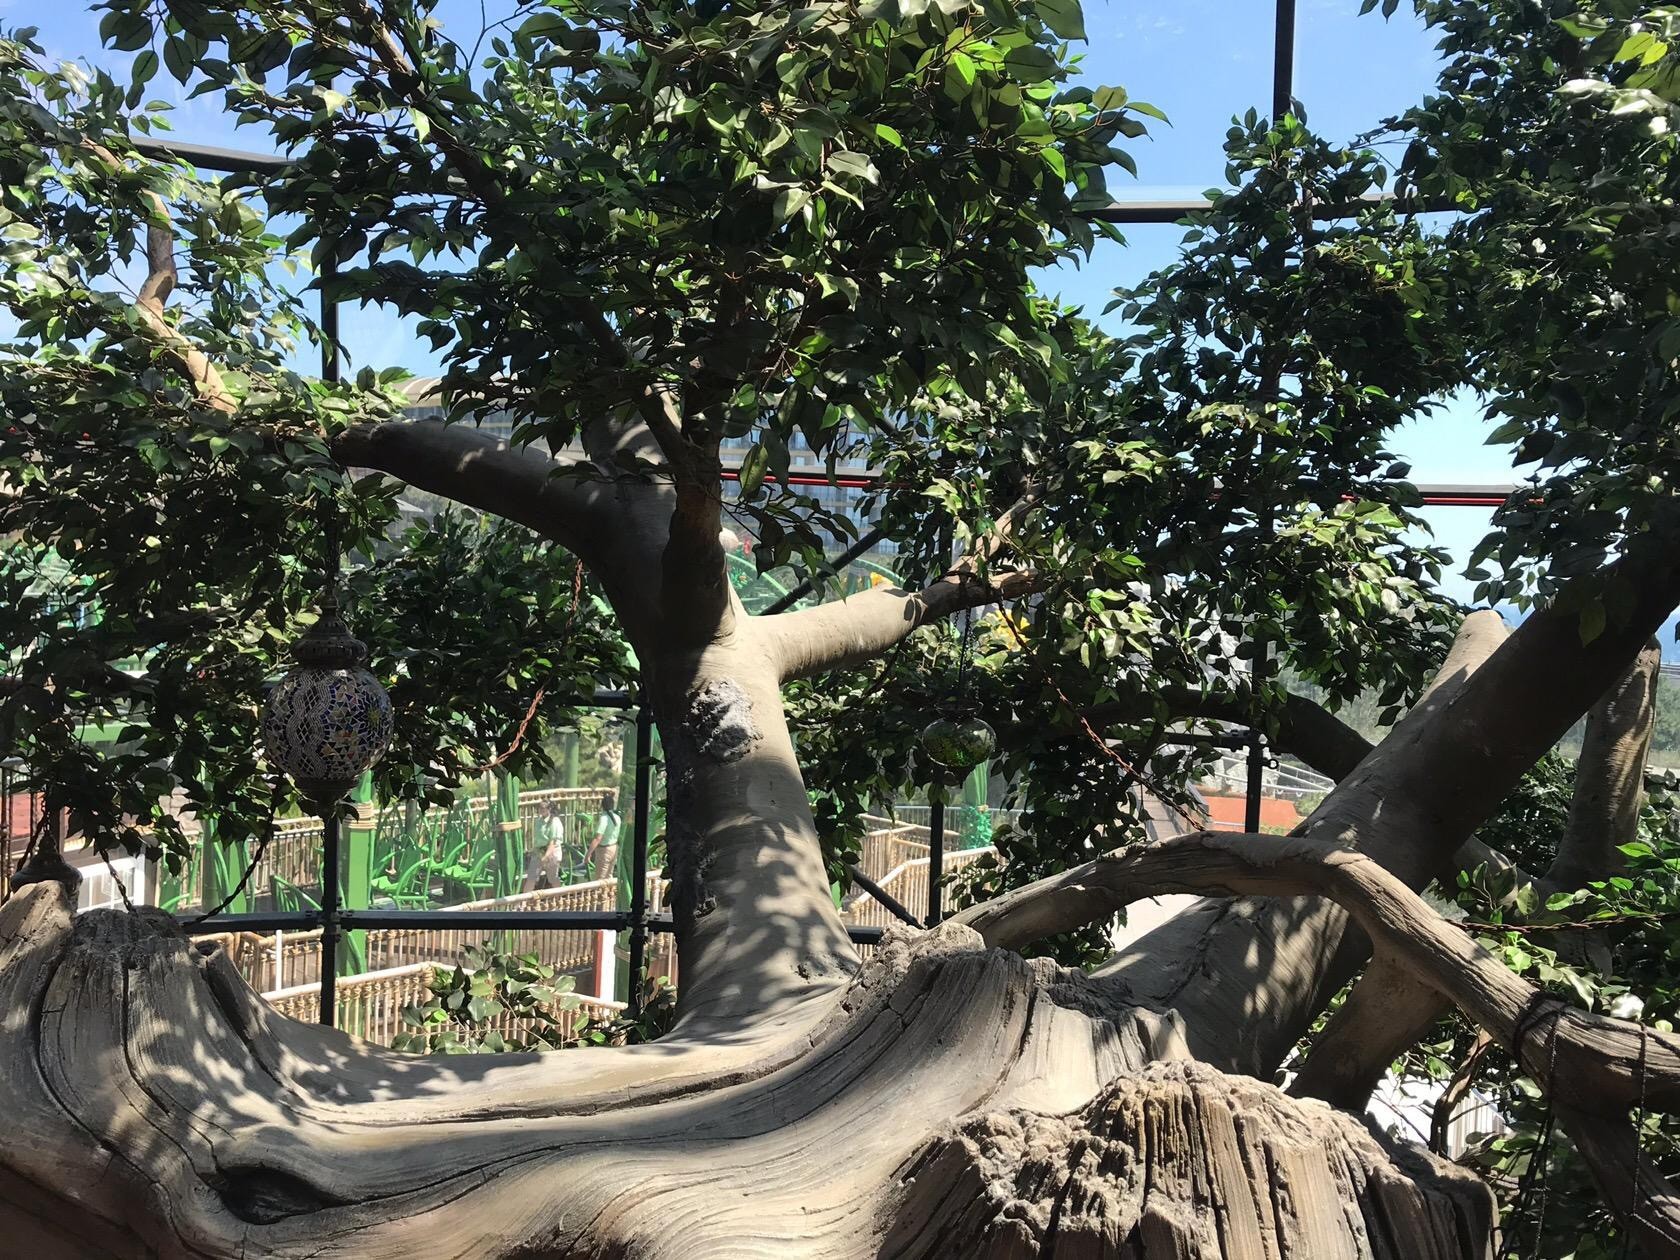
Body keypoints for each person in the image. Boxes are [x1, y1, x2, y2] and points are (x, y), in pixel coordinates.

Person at [588, 790, 621, 882]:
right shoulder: (617, 818)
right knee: (609, 876)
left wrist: (588, 853)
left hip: (604, 850)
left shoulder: (604, 819)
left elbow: (598, 838)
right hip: (614, 848)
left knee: (600, 879)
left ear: (602, 806)